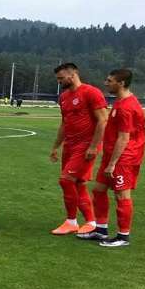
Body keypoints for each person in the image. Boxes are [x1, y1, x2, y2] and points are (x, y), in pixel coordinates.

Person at [78, 69, 145, 248]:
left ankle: (123, 236)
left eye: (110, 81)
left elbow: (124, 138)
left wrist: (112, 164)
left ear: (121, 83)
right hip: (111, 156)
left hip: (124, 158)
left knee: (121, 195)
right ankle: (101, 229)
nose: (106, 83)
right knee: (99, 190)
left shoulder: (127, 107)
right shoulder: (120, 101)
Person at [49, 63, 107, 235]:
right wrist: (56, 146)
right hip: (70, 145)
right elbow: (64, 124)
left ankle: (71, 221)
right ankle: (90, 221)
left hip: (86, 145)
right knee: (79, 183)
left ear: (73, 74)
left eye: (61, 78)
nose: (59, 82)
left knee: (66, 180)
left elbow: (103, 121)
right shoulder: (64, 97)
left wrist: (94, 146)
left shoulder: (91, 92)